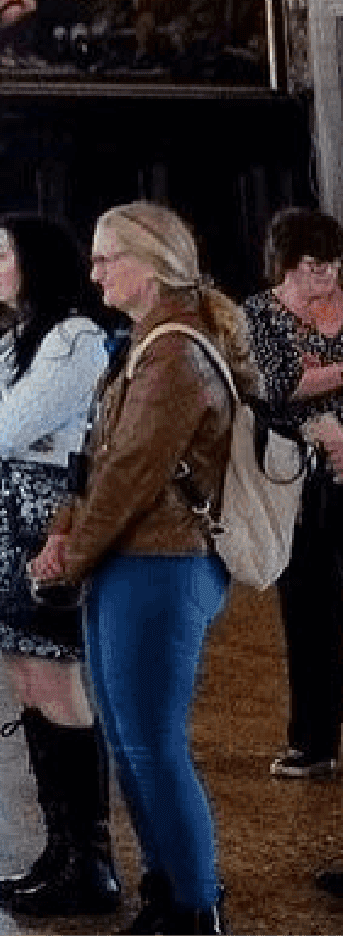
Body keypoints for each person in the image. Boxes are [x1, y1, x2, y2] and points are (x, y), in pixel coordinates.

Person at [29, 202, 245, 936]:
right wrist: (64, 533)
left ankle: (194, 906)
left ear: (150, 266)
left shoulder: (175, 356)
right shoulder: (144, 345)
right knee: (128, 742)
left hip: (163, 564)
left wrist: (68, 558)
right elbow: (95, 458)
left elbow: (129, 476)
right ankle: (166, 889)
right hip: (125, 560)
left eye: (105, 258)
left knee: (152, 744)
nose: (93, 273)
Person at [0, 215, 117, 916]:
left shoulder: (75, 339)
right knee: (24, 681)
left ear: (35, 260)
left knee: (55, 680)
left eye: (0, 254)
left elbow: (9, 426)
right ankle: (58, 846)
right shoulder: (14, 341)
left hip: (40, 524)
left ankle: (91, 861)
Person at [243, 207, 343, 785]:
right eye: (313, 266)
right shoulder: (260, 313)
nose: (325, 276)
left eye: (332, 266)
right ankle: (314, 741)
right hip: (297, 482)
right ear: (286, 264)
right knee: (307, 613)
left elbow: (301, 383)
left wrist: (320, 378)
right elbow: (274, 387)